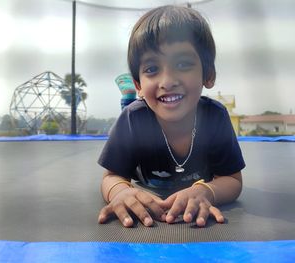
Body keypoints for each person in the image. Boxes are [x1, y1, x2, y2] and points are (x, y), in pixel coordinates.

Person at [98, 5, 245, 228]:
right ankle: (129, 95)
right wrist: (120, 192)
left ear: (209, 74)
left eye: (183, 64)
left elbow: (232, 180)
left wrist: (206, 191)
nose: (167, 81)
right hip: (140, 112)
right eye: (151, 69)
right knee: (131, 107)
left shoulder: (215, 117)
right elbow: (111, 177)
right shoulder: (132, 119)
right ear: (139, 83)